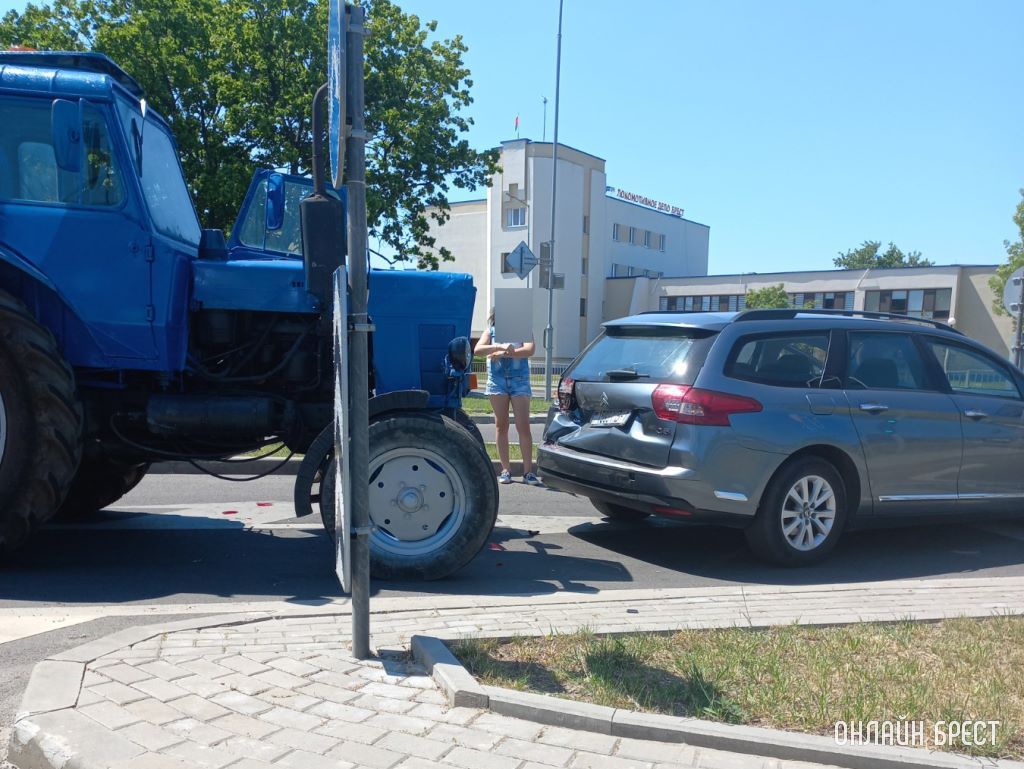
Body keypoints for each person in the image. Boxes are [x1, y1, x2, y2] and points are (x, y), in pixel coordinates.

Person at [474, 309, 542, 485]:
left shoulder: (523, 330)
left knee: (523, 426)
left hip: (519, 381)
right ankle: (506, 470)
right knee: (500, 425)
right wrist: (499, 346)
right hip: (497, 382)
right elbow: (478, 349)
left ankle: (528, 472)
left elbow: (529, 349)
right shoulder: (491, 331)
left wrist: (505, 353)